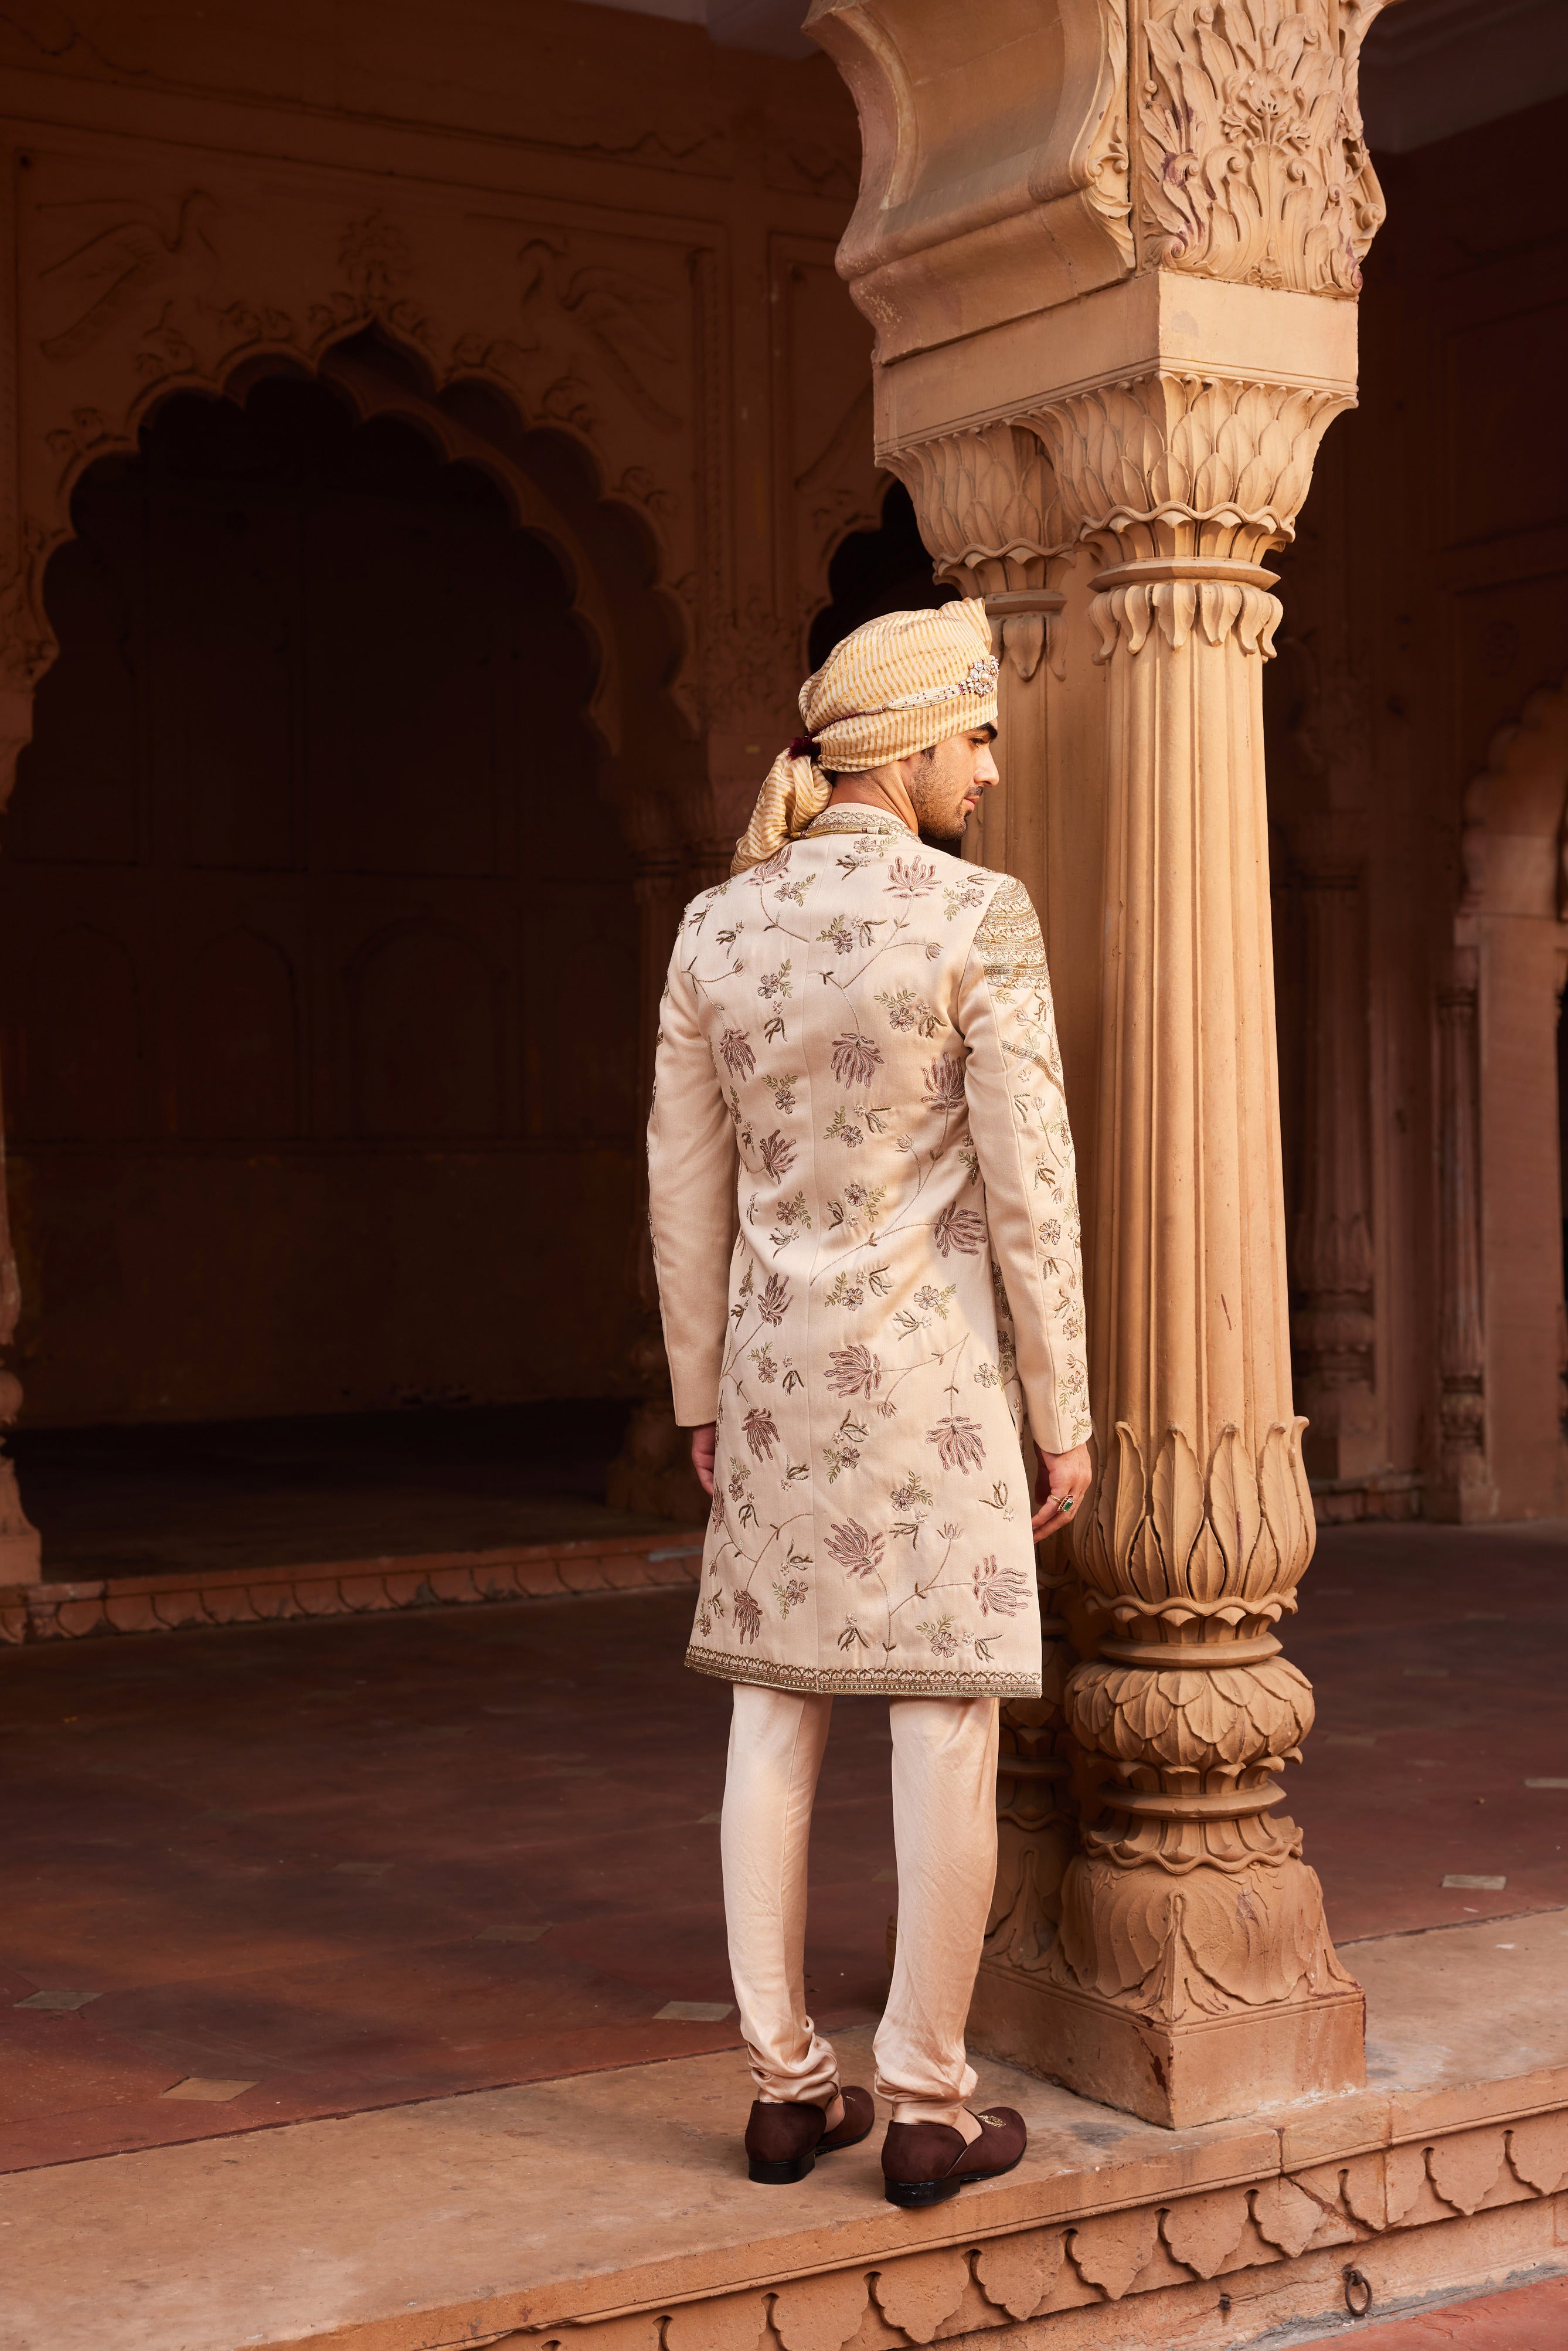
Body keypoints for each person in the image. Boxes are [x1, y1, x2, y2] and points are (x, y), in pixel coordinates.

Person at [646, 600, 1091, 2209]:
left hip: (774, 1387)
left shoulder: (718, 927)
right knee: (942, 1719)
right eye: (976, 736)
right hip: (934, 1395)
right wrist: (1064, 1405)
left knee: (772, 1713)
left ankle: (785, 2091)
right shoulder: (974, 916)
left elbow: (680, 1187)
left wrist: (699, 1391)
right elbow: (1031, 1184)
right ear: (904, 745)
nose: (988, 768)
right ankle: (921, 2101)